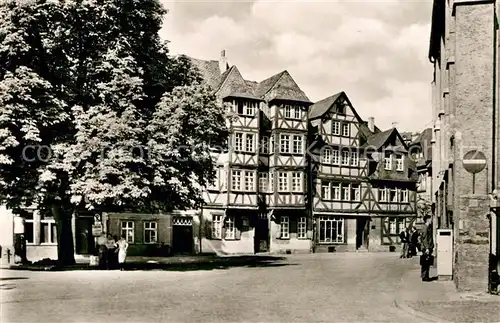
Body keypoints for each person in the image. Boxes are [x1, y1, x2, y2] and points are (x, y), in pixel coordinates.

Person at [420, 215, 434, 282]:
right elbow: (425, 239)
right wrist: (427, 248)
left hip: (428, 247)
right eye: (430, 219)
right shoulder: (425, 228)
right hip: (426, 248)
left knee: (427, 262)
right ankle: (424, 276)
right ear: (427, 220)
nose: (431, 220)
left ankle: (426, 276)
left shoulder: (428, 227)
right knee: (425, 262)